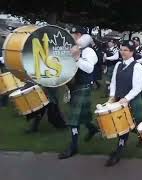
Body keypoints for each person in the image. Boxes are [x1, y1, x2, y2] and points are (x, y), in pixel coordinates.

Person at [58, 27, 99, 159]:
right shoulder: (73, 48)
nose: (70, 36)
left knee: (73, 119)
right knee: (84, 115)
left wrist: (76, 58)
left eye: (72, 34)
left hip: (83, 86)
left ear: (79, 35)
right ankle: (92, 128)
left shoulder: (88, 51)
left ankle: (73, 147)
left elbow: (89, 68)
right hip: (74, 86)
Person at [105, 40, 142, 166]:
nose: (123, 52)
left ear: (132, 51)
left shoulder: (137, 66)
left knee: (138, 125)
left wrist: (126, 98)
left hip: (133, 101)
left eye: (126, 50)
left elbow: (137, 87)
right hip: (120, 101)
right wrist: (112, 97)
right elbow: (113, 83)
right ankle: (119, 152)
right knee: (123, 127)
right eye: (121, 49)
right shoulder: (118, 65)